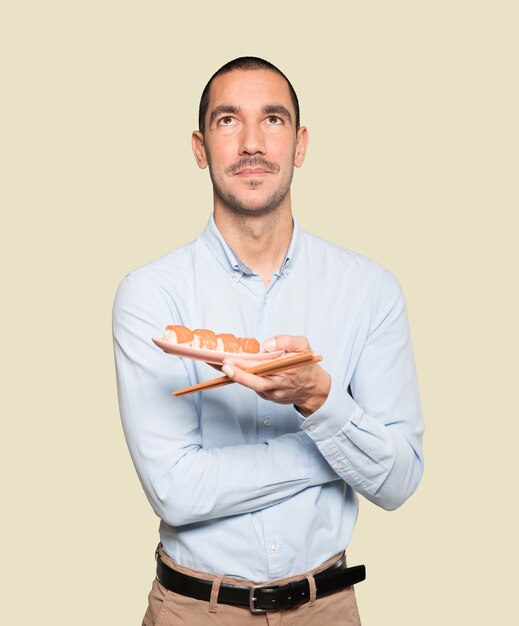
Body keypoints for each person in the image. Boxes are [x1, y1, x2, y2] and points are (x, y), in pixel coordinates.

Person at [113, 56, 424, 625]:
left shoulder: (370, 289)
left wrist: (317, 398)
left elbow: (399, 479)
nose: (252, 143)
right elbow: (176, 492)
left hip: (325, 608)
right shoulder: (151, 295)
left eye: (273, 120)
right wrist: (337, 445)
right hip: (196, 610)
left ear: (300, 144)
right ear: (200, 147)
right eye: (228, 121)